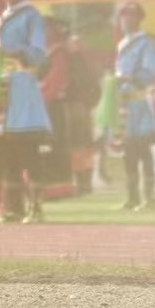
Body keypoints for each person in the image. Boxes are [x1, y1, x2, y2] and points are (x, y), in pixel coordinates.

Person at [0, 0, 52, 223]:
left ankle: (36, 207)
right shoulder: (2, 17)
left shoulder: (31, 15)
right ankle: (12, 207)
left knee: (27, 148)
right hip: (2, 86)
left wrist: (11, 52)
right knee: (6, 150)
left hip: (22, 84)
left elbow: (38, 51)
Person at [110, 2, 155, 211]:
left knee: (142, 149)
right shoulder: (123, 43)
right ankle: (132, 197)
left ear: (139, 19)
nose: (127, 21)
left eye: (131, 16)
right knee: (128, 151)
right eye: (124, 16)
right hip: (124, 103)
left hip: (138, 101)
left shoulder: (145, 43)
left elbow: (149, 72)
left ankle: (149, 198)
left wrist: (131, 77)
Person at [37, 18, 75, 202]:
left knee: (53, 145)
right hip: (41, 104)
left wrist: (40, 97)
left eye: (47, 29)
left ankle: (55, 189)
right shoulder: (41, 52)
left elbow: (56, 79)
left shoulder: (58, 53)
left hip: (51, 105)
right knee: (43, 146)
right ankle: (43, 186)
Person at [65, 31, 102, 196]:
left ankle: (84, 183)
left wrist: (87, 104)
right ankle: (82, 183)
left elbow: (96, 89)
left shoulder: (80, 65)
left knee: (81, 147)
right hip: (77, 108)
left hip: (77, 108)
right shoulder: (81, 64)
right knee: (80, 147)